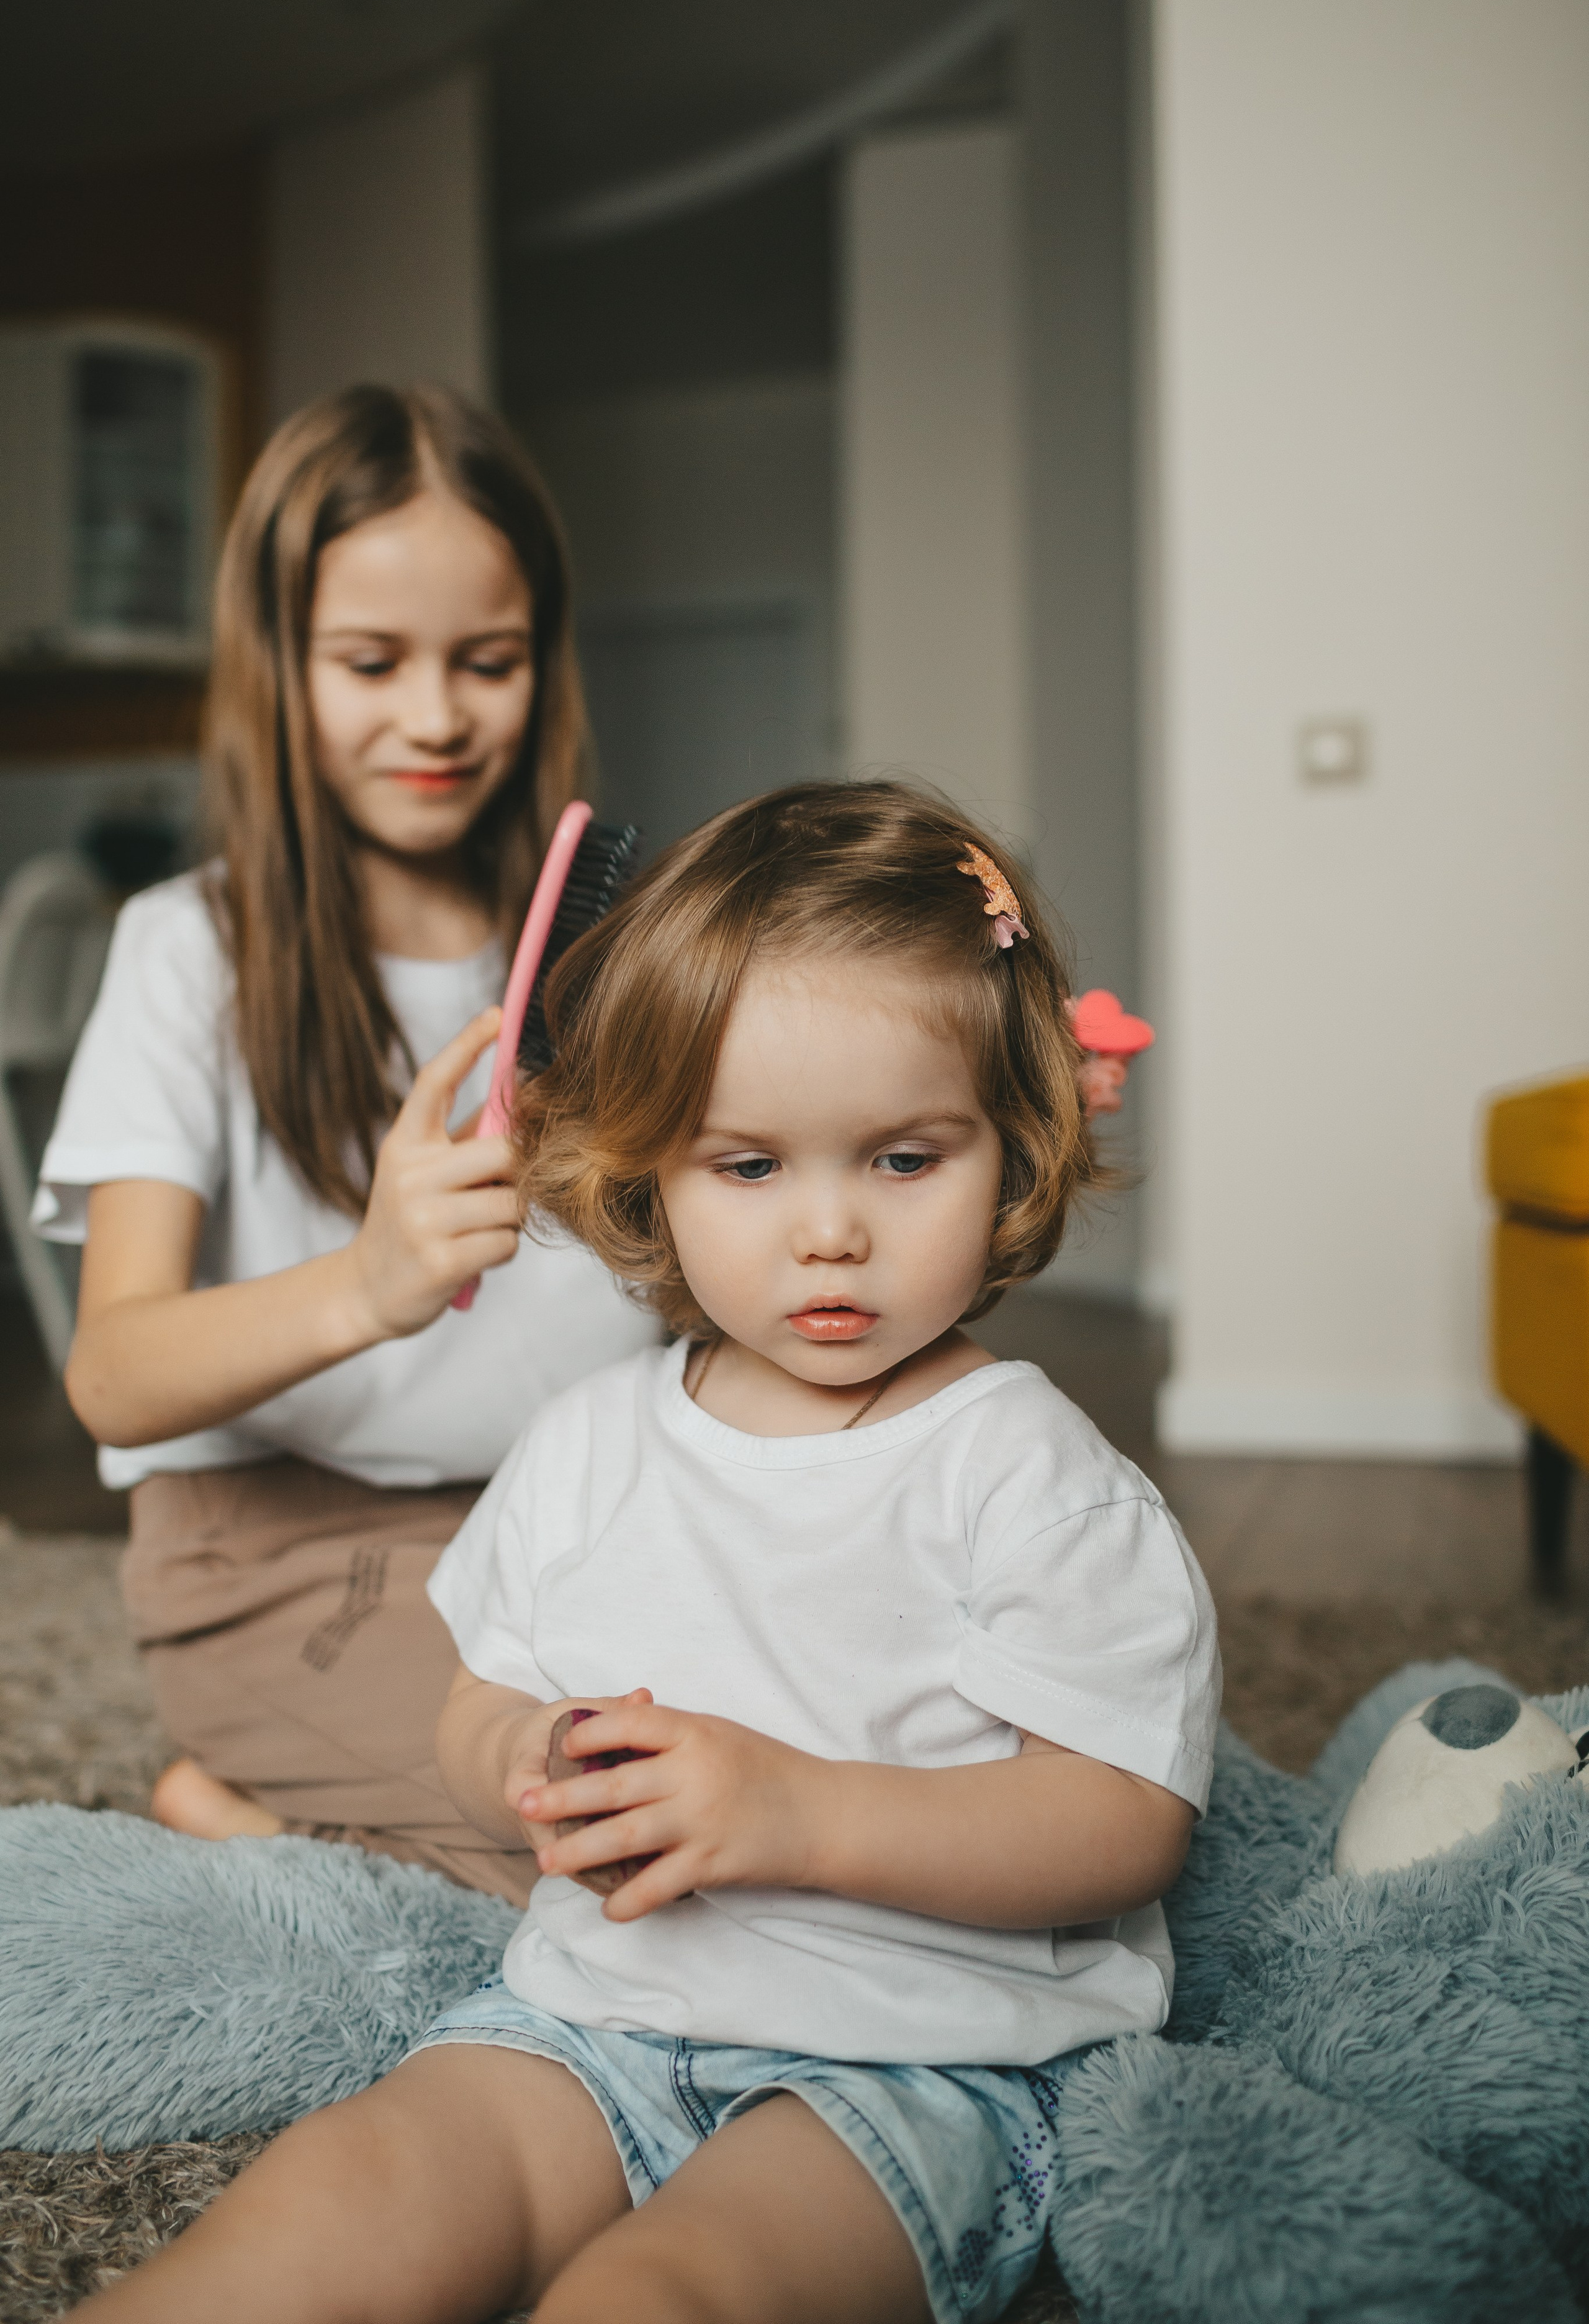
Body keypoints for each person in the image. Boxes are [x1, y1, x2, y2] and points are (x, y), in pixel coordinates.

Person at [78, 782, 1220, 2324]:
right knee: (343, 2193)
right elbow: (477, 1710)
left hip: (908, 2067)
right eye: (746, 1167)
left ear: (1011, 1150)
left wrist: (795, 1812)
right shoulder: (588, 1442)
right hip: (589, 2024)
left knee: (670, 2289)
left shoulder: (1030, 1477)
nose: (826, 1231)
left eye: (900, 1160)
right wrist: (534, 1759)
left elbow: (1121, 1820)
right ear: (649, 1176)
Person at [36, 386, 657, 1904]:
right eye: (370, 663)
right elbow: (112, 1370)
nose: (436, 718)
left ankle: (308, 1820)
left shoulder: (610, 952)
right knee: (641, 1856)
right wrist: (365, 1283)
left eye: (487, 663)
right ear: (275, 666)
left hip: (575, 1531)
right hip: (289, 1570)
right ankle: (255, 1812)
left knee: (821, 1765)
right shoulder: (189, 952)